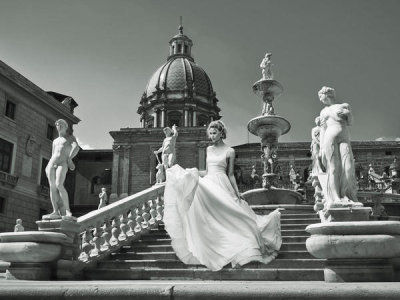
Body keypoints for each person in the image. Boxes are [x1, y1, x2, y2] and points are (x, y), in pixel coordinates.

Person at [163, 120, 282, 271]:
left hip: (222, 182)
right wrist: (191, 172)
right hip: (209, 181)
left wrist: (237, 193)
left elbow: (231, 174)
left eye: (214, 133)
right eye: (210, 133)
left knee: (234, 215)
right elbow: (207, 171)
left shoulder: (230, 151)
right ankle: (215, 246)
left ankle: (243, 245)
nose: (212, 136)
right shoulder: (208, 149)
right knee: (211, 215)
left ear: (221, 133)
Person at [318, 86, 359, 208]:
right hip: (329, 138)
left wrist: (348, 114)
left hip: (344, 137)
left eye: (321, 96)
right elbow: (322, 129)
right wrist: (321, 149)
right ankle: (335, 197)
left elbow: (350, 122)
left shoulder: (344, 106)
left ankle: (345, 194)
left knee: (348, 167)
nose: (320, 99)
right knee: (333, 168)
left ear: (327, 94)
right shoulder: (323, 112)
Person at [43, 119, 80, 220]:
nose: (59, 126)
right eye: (58, 125)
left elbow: (76, 148)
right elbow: (53, 154)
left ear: (66, 127)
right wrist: (48, 166)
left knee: (59, 184)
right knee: (52, 187)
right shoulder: (55, 141)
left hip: (62, 163)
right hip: (52, 163)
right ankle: (55, 211)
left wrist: (69, 158)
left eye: (61, 125)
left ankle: (67, 210)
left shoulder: (70, 137)